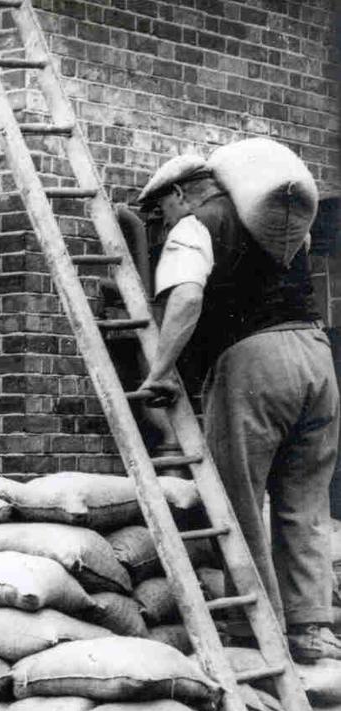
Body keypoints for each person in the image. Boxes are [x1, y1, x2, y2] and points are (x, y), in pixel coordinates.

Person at [135, 153, 341, 663]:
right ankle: (311, 629)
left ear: (182, 193)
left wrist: (160, 371)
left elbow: (185, 300)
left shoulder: (196, 227)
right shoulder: (278, 224)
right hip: (317, 359)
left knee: (239, 499)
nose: (163, 220)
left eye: (162, 207)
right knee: (306, 501)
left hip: (255, 364)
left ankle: (255, 628)